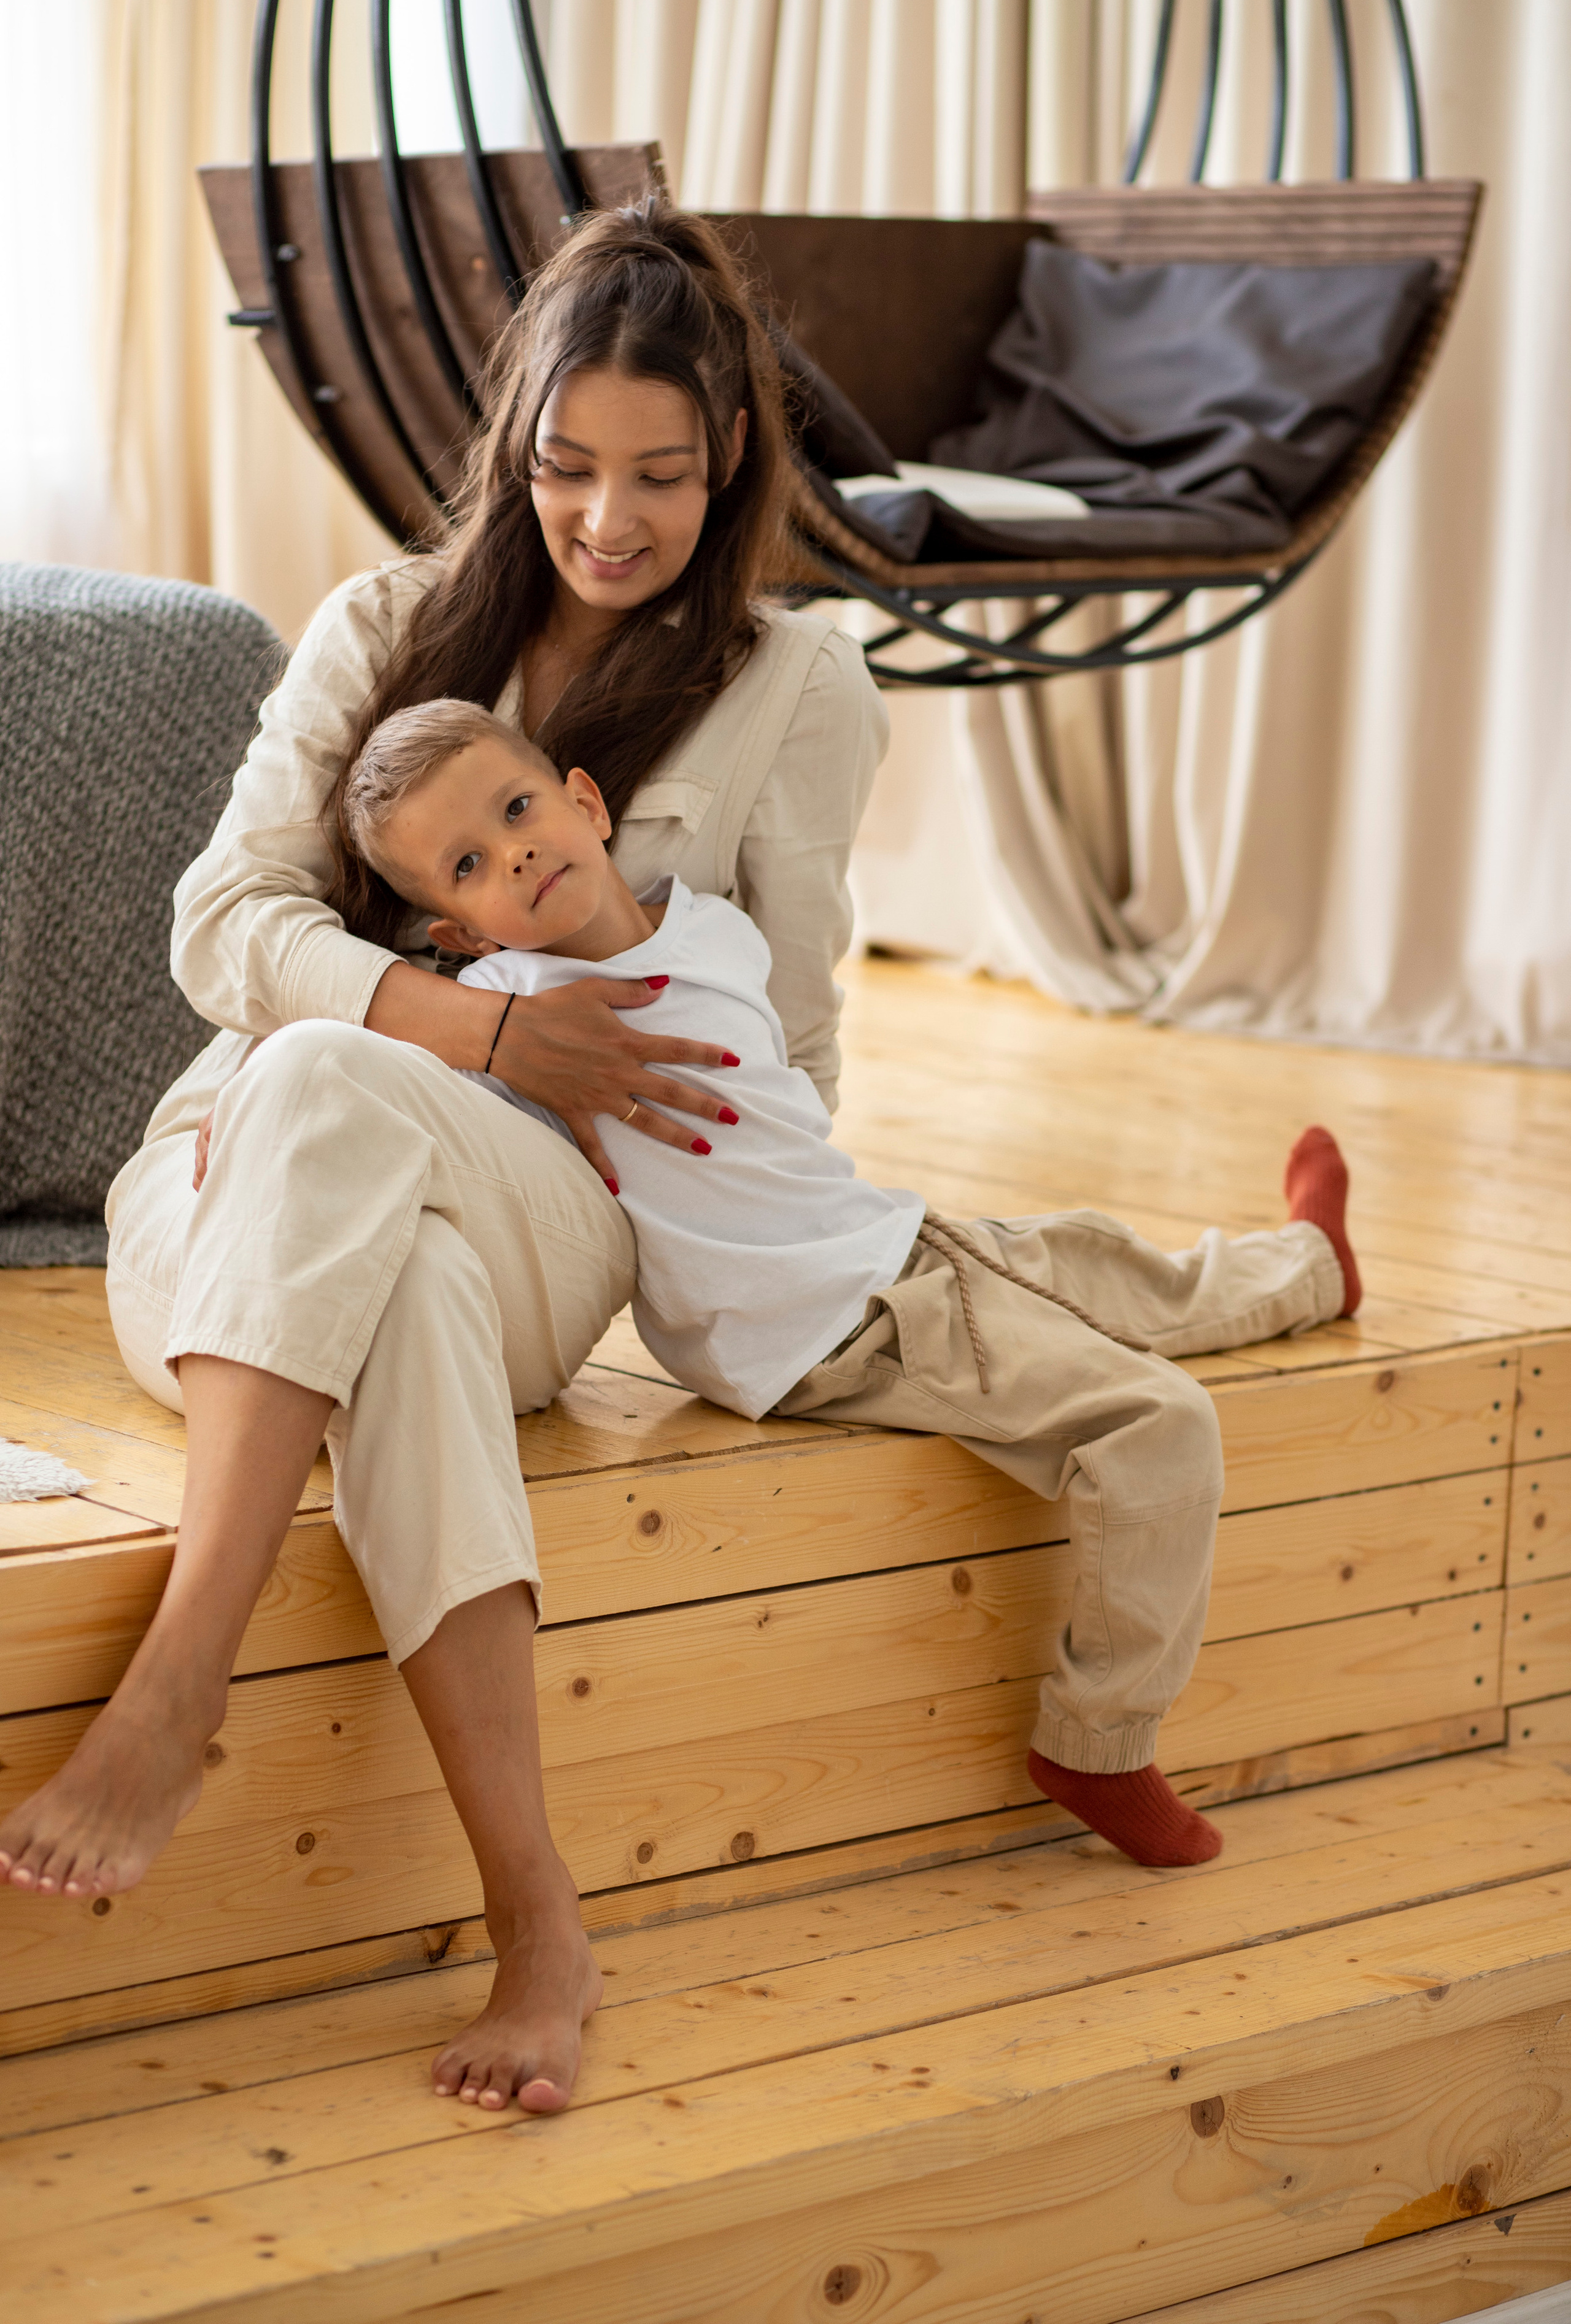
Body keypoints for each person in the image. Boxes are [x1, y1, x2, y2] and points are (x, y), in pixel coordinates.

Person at [0, 197, 887, 2123]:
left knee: (338, 1086)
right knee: (348, 1168)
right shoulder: (384, 628)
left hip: (546, 1211)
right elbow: (216, 922)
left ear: (728, 455)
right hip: (232, 1185)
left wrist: (776, 1278)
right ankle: (538, 1925)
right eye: (568, 467)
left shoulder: (798, 687)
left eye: (659, 474)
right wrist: (480, 1021)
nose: (609, 520)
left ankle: (177, 1688)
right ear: (516, 445)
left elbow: (788, 1042)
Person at [334, 695, 1362, 1879]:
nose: (513, 851)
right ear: (458, 937)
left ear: (587, 801)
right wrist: (268, 1095)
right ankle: (1101, 1739)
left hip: (885, 1238)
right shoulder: (520, 1026)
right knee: (1160, 1423)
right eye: (469, 863)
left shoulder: (714, 927)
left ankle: (1314, 1270)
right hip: (840, 1325)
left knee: (1098, 1260)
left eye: (517, 810)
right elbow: (385, 1074)